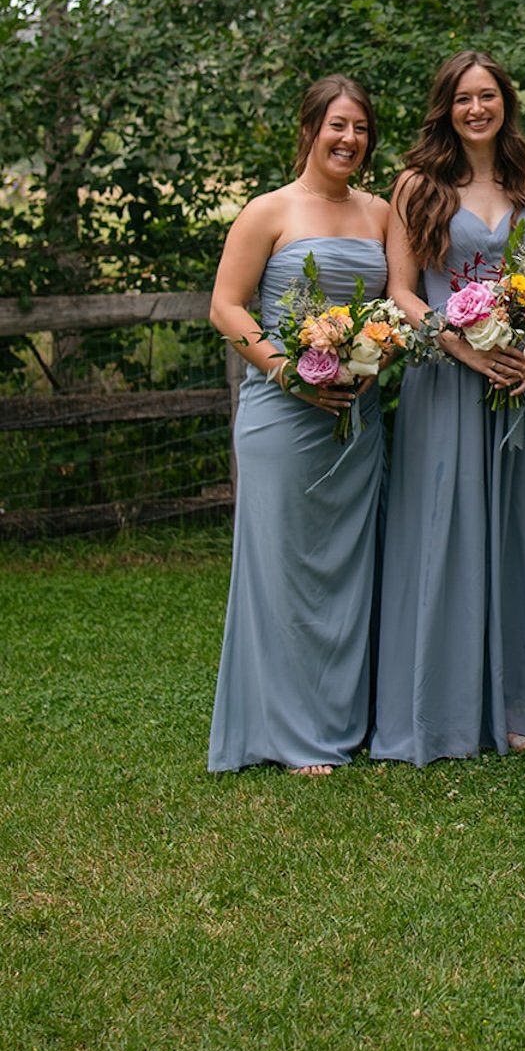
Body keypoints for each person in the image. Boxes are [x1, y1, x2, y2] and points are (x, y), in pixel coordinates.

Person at [371, 51, 525, 763]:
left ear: (505, 104)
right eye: (463, 98)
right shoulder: (416, 186)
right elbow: (401, 289)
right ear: (446, 107)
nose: (477, 109)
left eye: (488, 96)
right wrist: (461, 347)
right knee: (446, 534)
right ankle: (450, 704)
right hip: (446, 377)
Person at [208, 75, 390, 774]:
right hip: (282, 415)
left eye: (362, 129)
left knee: (351, 566)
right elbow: (227, 307)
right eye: (337, 126)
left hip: (356, 415)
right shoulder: (269, 211)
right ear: (309, 128)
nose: (349, 140)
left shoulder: (379, 213)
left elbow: (394, 304)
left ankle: (346, 720)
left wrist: (378, 354)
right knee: (284, 567)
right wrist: (288, 370)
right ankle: (289, 734)